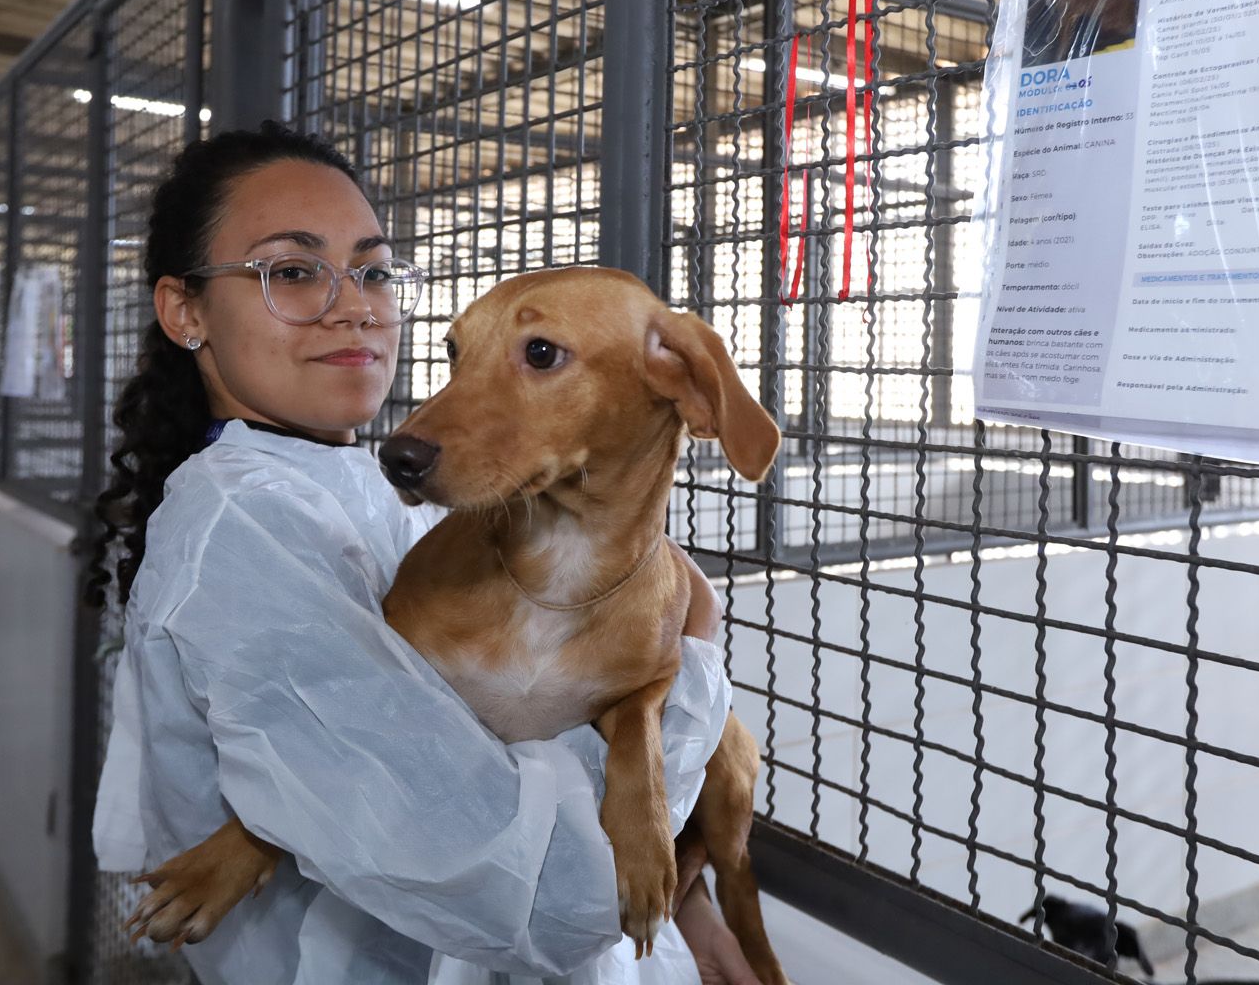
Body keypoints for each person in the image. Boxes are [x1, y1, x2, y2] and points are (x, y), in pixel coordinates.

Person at [87, 123, 760, 984]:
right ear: (186, 312)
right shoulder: (241, 532)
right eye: (292, 271)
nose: (353, 304)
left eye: (371, 270)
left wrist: (686, 910)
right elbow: (547, 900)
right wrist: (696, 651)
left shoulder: (392, 496)